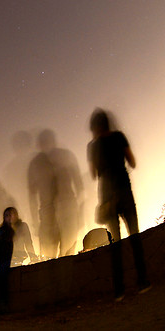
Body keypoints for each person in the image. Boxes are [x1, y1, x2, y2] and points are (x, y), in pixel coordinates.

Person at [87, 108, 150, 301]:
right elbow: (132, 162)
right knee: (135, 237)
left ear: (95, 127)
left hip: (107, 198)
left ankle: (119, 291)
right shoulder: (119, 137)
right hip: (124, 191)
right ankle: (143, 282)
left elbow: (93, 174)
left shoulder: (93, 146)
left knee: (115, 244)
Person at [28, 129, 83, 258]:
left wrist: (79, 212)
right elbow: (32, 194)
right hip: (50, 210)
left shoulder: (65, 156)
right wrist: (35, 221)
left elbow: (79, 185)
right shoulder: (35, 163)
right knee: (50, 253)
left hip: (66, 206)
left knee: (68, 250)